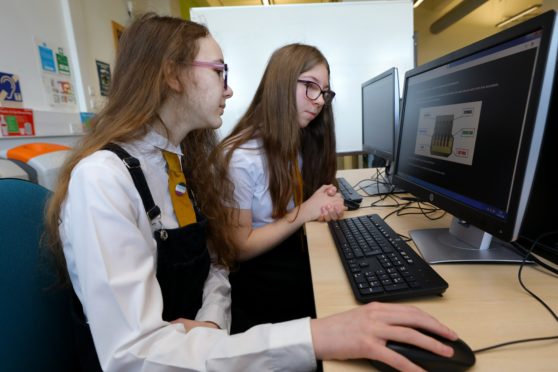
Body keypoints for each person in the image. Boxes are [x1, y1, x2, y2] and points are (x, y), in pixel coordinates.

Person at [45, 13, 459, 372]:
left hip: (203, 343)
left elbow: (215, 265)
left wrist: (210, 326)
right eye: (219, 72)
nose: (227, 89)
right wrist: (313, 337)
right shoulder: (102, 180)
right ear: (172, 74)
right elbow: (135, 356)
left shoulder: (178, 164)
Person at [219, 43, 345, 333]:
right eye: (311, 87)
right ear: (281, 84)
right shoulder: (241, 157)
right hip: (258, 280)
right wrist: (305, 211)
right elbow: (239, 247)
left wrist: (328, 200)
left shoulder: (298, 140)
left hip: (288, 256)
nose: (320, 101)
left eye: (324, 92)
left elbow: (308, 199)